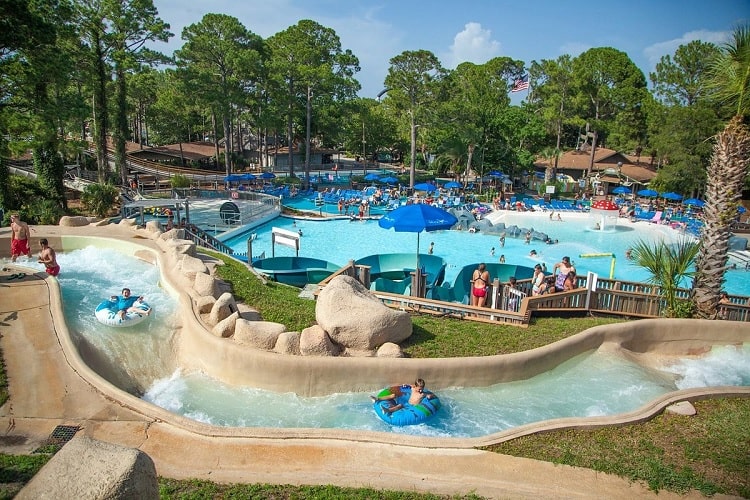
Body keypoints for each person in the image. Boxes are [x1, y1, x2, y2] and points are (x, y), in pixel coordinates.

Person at [370, 378, 435, 414]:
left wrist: (430, 396)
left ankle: (388, 410)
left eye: (422, 388)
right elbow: (410, 386)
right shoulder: (413, 389)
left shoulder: (423, 394)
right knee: (394, 395)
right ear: (415, 387)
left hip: (412, 407)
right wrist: (406, 385)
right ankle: (378, 398)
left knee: (400, 405)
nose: (421, 390)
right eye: (419, 388)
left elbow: (432, 395)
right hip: (407, 403)